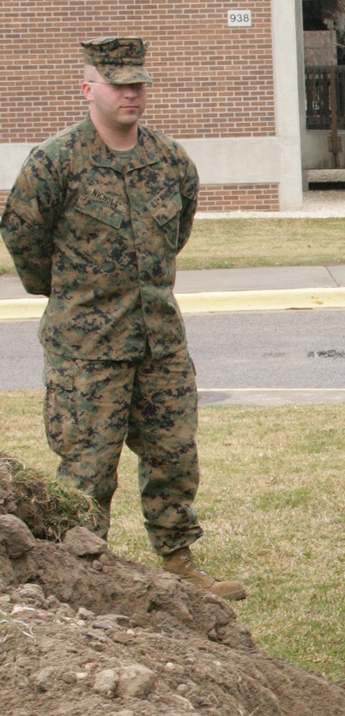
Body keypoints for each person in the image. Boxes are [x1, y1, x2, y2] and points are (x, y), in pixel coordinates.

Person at [0, 36, 245, 599]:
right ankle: (82, 575)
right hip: (86, 349)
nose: (131, 93)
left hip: (158, 341)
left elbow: (175, 236)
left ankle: (179, 560)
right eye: (118, 83)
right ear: (89, 89)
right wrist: (68, 296)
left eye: (138, 83)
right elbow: (23, 240)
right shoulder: (55, 162)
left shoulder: (170, 161)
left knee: (174, 456)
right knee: (87, 470)